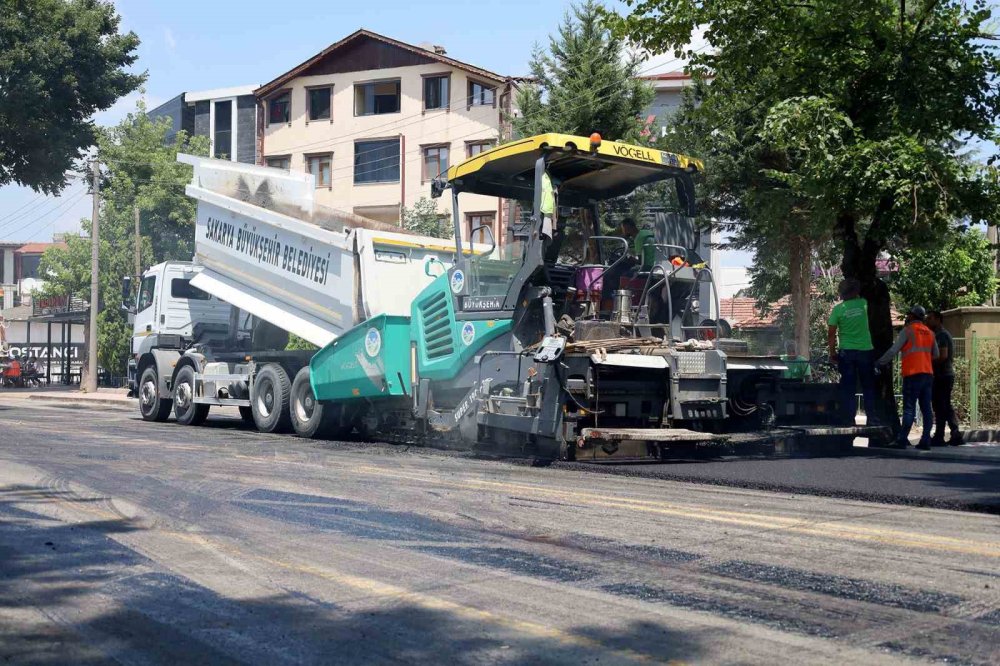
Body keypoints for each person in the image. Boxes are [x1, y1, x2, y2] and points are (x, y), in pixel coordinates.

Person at [877, 305, 938, 449]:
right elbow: (936, 355)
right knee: (926, 409)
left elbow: (893, 350)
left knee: (909, 408)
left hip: (912, 374)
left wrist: (879, 362)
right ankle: (925, 440)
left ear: (911, 316)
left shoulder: (908, 330)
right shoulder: (930, 333)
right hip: (927, 374)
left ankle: (902, 439)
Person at [827, 279, 876, 425]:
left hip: (847, 352)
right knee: (868, 386)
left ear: (842, 293)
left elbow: (831, 333)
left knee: (848, 387)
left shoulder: (838, 309)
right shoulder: (865, 304)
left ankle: (849, 419)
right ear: (856, 291)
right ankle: (872, 418)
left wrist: (832, 352)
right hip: (866, 351)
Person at [926, 310, 963, 446]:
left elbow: (943, 356)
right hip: (943, 375)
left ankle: (941, 436)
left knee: (941, 405)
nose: (927, 321)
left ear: (938, 319)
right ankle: (954, 434)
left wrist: (926, 361)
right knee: (944, 405)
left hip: (943, 375)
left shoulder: (941, 335)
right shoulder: (938, 334)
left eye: (930, 318)